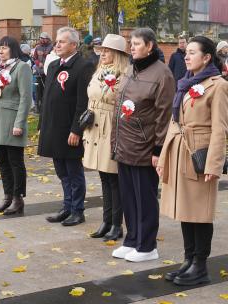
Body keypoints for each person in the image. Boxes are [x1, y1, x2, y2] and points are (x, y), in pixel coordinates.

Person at [157, 36, 228, 286]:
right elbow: (175, 121)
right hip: (180, 150)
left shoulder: (218, 85)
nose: (186, 57)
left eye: (192, 53)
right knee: (185, 209)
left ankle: (200, 266)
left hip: (200, 154)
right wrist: (164, 156)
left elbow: (221, 128)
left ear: (207, 57)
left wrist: (214, 164)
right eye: (186, 53)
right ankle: (188, 260)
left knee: (200, 212)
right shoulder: (186, 82)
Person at [111, 28, 175, 262]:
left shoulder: (162, 74)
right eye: (131, 43)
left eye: (137, 43)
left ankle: (147, 245)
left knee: (144, 198)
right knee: (128, 196)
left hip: (145, 146)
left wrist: (158, 149)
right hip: (125, 143)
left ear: (150, 46)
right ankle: (132, 240)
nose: (132, 47)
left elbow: (163, 115)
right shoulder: (131, 68)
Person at [38, 27, 94, 226]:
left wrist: (76, 130)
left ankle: (77, 210)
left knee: (73, 172)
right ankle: (67, 206)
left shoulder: (83, 66)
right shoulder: (53, 65)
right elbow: (47, 98)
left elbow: (82, 102)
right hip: (54, 127)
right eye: (57, 41)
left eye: (62, 41)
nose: (57, 44)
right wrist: (42, 125)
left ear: (74, 45)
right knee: (61, 171)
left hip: (69, 129)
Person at [83, 34, 129, 241]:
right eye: (102, 51)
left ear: (118, 54)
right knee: (103, 176)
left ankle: (116, 224)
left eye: (108, 51)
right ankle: (106, 221)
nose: (103, 54)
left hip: (110, 125)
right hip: (95, 124)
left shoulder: (124, 74)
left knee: (114, 178)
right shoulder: (99, 71)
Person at [0, 36, 32, 215]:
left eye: (5, 48)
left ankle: (17, 198)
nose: (0, 51)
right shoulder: (0, 68)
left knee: (15, 162)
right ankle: (7, 196)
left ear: (13, 49)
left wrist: (19, 123)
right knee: (3, 162)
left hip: (12, 121)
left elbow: (25, 98)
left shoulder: (21, 67)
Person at [33, 32, 53, 113]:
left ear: (47, 39)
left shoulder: (51, 47)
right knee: (38, 90)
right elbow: (34, 58)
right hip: (39, 72)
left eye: (43, 38)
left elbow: (52, 57)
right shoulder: (37, 47)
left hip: (48, 72)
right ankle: (37, 107)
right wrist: (38, 63)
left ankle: (46, 107)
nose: (41, 40)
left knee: (46, 90)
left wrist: (44, 55)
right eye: (40, 38)